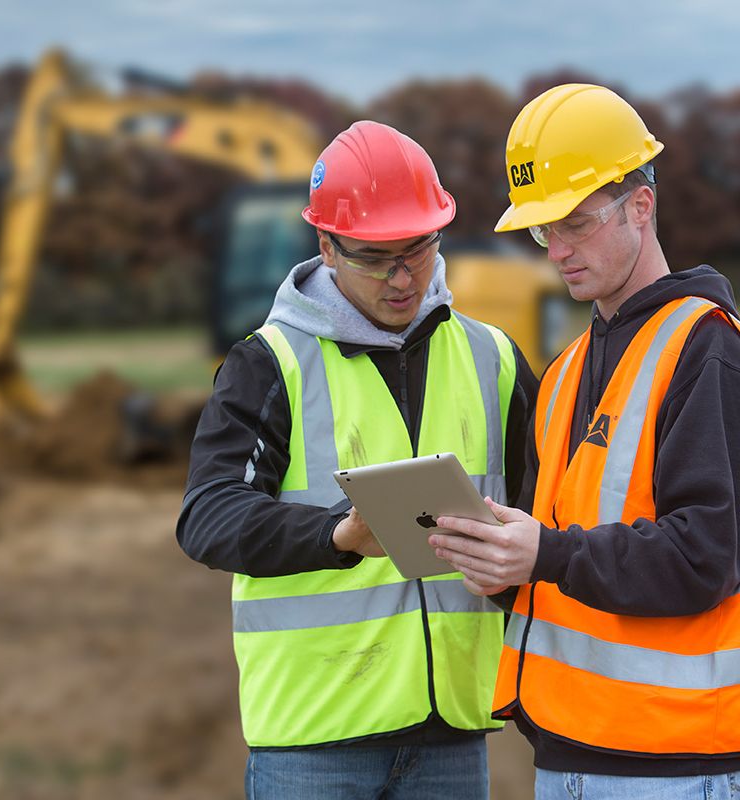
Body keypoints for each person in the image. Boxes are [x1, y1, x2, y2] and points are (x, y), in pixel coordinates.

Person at [176, 120, 538, 800]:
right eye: (376, 257)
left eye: (419, 250)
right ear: (327, 247)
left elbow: (545, 512)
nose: (402, 278)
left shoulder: (492, 358)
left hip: (452, 730)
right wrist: (337, 535)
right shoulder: (270, 364)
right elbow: (207, 517)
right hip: (315, 738)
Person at [429, 83, 740, 799]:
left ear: (641, 205)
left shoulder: (704, 350)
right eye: (544, 231)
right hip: (568, 751)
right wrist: (506, 568)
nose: (558, 251)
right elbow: (563, 553)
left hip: (672, 763)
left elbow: (706, 556)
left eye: (575, 223)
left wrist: (547, 552)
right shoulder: (566, 370)